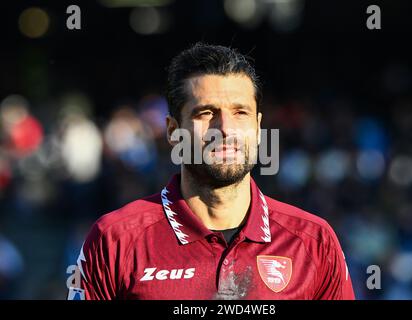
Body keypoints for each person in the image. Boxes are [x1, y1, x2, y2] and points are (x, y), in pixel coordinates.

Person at [68, 42, 355, 300]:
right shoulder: (114, 239)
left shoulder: (314, 242)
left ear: (257, 128)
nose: (225, 129)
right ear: (172, 130)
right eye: (206, 113)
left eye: (240, 113)